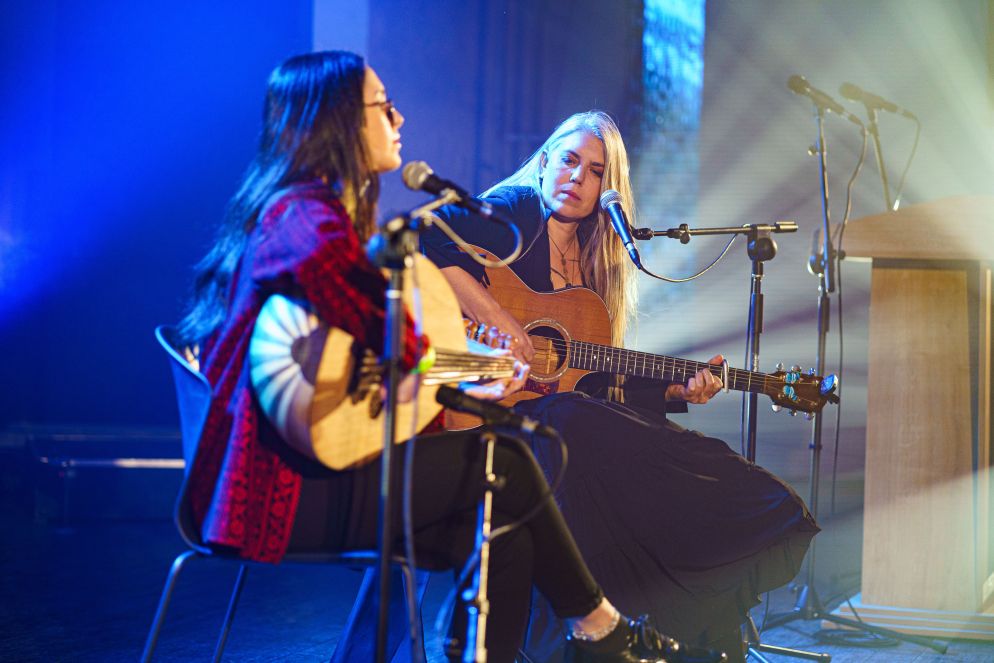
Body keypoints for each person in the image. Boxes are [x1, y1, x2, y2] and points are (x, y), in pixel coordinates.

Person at [176, 53, 724, 663]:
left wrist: (472, 378)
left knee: (506, 528)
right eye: (383, 106)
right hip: (281, 491)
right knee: (506, 461)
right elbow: (389, 335)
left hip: (311, 472)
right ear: (338, 122)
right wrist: (470, 365)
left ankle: (588, 630)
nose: (399, 115)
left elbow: (378, 357)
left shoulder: (304, 212)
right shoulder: (305, 220)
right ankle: (601, 628)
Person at [421, 110, 819, 662]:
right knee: (575, 422)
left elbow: (598, 389)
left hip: (559, 429)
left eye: (595, 171)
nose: (578, 178)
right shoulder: (515, 215)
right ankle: (598, 635)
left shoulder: (593, 275)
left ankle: (698, 629)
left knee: (678, 454)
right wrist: (503, 323)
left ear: (609, 189)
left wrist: (674, 394)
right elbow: (424, 238)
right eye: (568, 161)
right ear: (542, 164)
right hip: (482, 418)